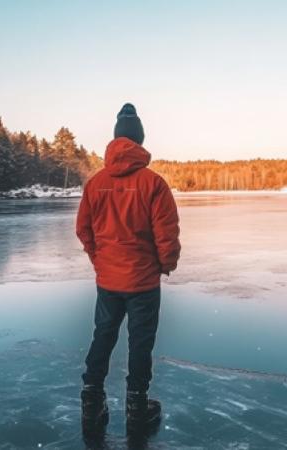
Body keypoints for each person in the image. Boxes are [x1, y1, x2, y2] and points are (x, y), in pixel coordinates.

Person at [75, 103, 181, 436]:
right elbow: (166, 233)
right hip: (143, 282)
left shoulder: (96, 183)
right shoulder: (153, 183)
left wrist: (100, 259)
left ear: (116, 139)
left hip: (109, 280)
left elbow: (84, 229)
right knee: (140, 343)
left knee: (103, 336)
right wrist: (166, 264)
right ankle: (137, 406)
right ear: (139, 140)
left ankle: (91, 401)